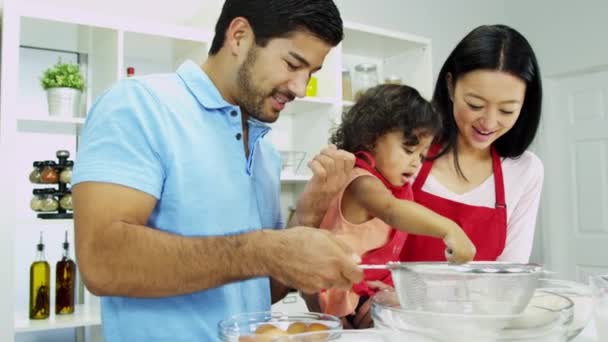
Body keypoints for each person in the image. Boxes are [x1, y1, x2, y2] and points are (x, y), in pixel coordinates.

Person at [71, 1, 364, 340]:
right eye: (292, 64)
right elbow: (101, 260)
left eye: (311, 74)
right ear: (239, 36)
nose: (300, 87)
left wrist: (306, 217)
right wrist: (266, 250)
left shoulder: (264, 150)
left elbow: (259, 289)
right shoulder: (139, 105)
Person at [346, 24, 544, 329]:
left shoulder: (525, 170)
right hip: (391, 327)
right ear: (451, 86)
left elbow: (509, 280)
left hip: (472, 329)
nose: (489, 122)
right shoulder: (407, 154)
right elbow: (353, 238)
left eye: (507, 110)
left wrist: (416, 299)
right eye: (475, 104)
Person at [306, 84, 476, 320]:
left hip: (363, 287)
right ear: (369, 139)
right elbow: (392, 211)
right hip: (339, 292)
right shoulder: (361, 182)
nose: (416, 163)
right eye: (409, 150)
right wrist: (450, 229)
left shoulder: (392, 185)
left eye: (422, 155)